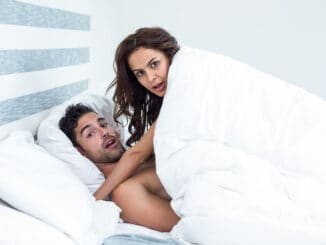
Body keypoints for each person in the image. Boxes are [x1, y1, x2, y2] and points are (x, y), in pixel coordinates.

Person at [59, 103, 179, 232]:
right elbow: (191, 226)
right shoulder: (125, 193)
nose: (104, 132)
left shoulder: (150, 150)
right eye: (90, 134)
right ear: (80, 152)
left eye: (103, 124)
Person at [93, 27, 179, 202]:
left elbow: (137, 154)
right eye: (140, 73)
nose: (150, 78)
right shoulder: (167, 99)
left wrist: (94, 200)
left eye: (154, 64)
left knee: (124, 193)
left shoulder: (182, 93)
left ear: (169, 56)